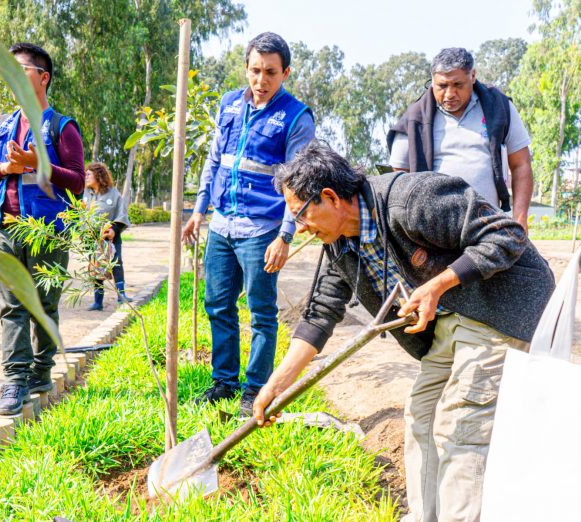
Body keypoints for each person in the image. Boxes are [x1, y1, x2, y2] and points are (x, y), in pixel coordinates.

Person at [253, 141, 555, 522]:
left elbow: (508, 234)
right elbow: (319, 314)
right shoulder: (338, 245)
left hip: (503, 305)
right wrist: (276, 385)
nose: (299, 228)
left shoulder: (412, 199)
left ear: (329, 197)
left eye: (300, 215)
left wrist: (438, 284)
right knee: (422, 414)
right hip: (457, 317)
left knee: (459, 421)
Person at [181, 32, 315, 416]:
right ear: (246, 68)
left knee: (261, 311)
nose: (261, 80)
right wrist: (198, 211)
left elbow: (298, 182)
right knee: (217, 305)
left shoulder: (296, 117)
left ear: (285, 73)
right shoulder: (228, 106)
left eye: (270, 72)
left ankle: (254, 390)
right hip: (222, 226)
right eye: (255, 70)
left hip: (262, 231)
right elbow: (214, 162)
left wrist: (285, 237)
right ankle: (224, 382)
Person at [0, 42, 85, 415]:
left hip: (48, 231)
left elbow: (79, 182)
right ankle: (15, 380)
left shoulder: (61, 128)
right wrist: (6, 169)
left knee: (44, 306)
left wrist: (42, 164)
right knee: (12, 306)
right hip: (6, 230)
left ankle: (41, 369)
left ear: (43, 77)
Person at [387, 47, 534, 231]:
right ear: (432, 81)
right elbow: (398, 179)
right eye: (442, 86)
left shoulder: (499, 108)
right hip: (435, 233)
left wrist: (520, 220)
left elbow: (521, 165)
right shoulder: (414, 119)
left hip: (490, 227)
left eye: (458, 85)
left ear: (472, 76)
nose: (449, 94)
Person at [83, 162, 131, 311]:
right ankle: (98, 302)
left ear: (98, 175)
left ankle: (121, 296)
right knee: (96, 267)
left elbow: (121, 214)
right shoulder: (85, 194)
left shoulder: (113, 193)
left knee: (116, 264)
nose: (86, 177)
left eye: (89, 174)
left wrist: (114, 230)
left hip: (110, 238)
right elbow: (80, 215)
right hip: (92, 239)